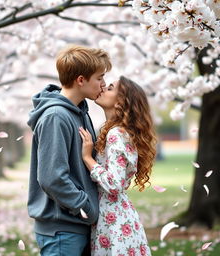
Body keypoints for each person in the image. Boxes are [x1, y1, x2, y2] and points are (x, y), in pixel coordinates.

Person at [27, 45, 112, 256]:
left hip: (76, 225)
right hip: (62, 231)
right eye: (99, 78)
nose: (103, 84)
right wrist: (87, 209)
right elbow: (52, 178)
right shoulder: (56, 116)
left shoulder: (80, 112)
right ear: (81, 80)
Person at [79, 76, 157, 256]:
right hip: (117, 217)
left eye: (111, 88)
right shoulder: (116, 131)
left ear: (122, 101)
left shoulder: (116, 134)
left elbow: (114, 184)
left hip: (115, 223)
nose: (104, 87)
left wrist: (87, 158)